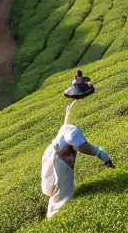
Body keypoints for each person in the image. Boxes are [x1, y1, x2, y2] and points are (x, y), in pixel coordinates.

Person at [41, 69, 114, 218]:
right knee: (63, 194)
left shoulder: (72, 107)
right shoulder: (75, 117)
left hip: (55, 152)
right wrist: (100, 153)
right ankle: (55, 220)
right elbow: (80, 146)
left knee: (58, 192)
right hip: (60, 157)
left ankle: (52, 216)